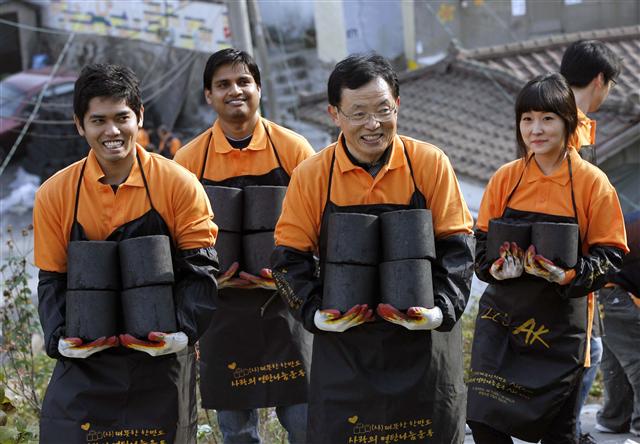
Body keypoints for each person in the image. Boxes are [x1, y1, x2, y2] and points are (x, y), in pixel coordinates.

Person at [271, 53, 475, 444]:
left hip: (424, 345)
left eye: (383, 110)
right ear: (335, 114)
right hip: (346, 349)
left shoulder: (429, 163)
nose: (373, 124)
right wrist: (315, 313)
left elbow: (458, 247)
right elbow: (287, 261)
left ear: (397, 105)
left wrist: (442, 309)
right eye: (358, 113)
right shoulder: (313, 175)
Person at [33, 64, 218, 443]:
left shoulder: (177, 184)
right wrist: (59, 338)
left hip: (160, 357)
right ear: (79, 125)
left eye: (122, 117)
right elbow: (52, 278)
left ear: (140, 118)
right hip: (87, 358)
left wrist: (182, 331)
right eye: (98, 120)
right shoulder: (54, 194)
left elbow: (200, 268)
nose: (112, 131)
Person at [466, 72, 628, 444]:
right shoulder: (505, 178)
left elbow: (610, 257)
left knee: (560, 433)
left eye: (547, 119)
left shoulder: (592, 183)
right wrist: (495, 269)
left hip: (561, 333)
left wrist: (566, 275)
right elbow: (481, 247)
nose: (535, 129)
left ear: (568, 121)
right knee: (483, 420)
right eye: (527, 119)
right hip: (502, 324)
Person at [174, 48, 315, 444]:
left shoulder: (294, 150)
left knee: (305, 422)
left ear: (259, 88)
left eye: (243, 82)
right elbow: (180, 239)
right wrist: (208, 276)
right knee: (237, 432)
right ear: (208, 95)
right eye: (223, 85)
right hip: (222, 309)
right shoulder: (188, 160)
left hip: (284, 304)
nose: (234, 91)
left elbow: (317, 225)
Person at [560, 39, 622, 443]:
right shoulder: (571, 127)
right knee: (587, 354)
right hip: (572, 261)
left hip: (575, 260)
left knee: (586, 353)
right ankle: (562, 432)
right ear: (600, 79)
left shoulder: (559, 116)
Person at [595, 210, 640, 437]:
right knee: (637, 358)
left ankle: (614, 419)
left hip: (607, 292)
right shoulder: (635, 224)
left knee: (616, 362)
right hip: (615, 293)